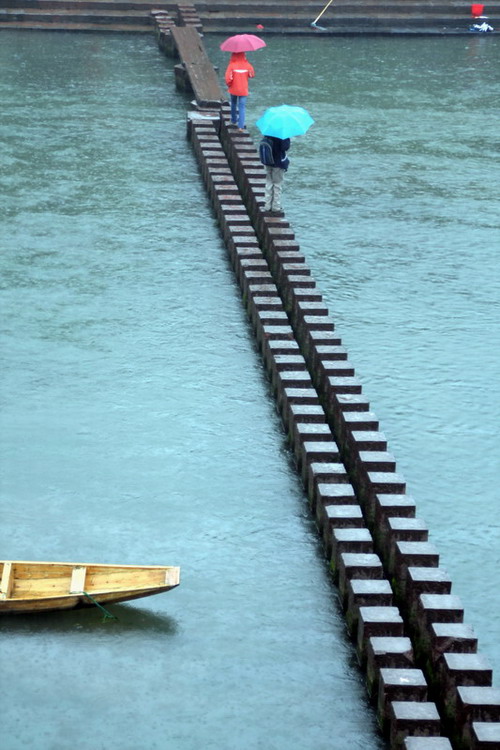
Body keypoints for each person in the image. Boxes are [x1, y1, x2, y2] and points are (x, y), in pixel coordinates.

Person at [224, 52, 255, 130]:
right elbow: (251, 75)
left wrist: (229, 85)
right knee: (242, 107)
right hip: (243, 89)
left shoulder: (231, 65)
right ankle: (240, 126)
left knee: (233, 104)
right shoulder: (247, 65)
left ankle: (233, 120)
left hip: (234, 89)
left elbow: (228, 78)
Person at [262, 136, 290, 214]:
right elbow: (285, 147)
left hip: (268, 161)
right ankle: (275, 207)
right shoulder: (283, 134)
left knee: (269, 183)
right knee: (277, 184)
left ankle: (267, 205)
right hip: (278, 163)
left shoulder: (268, 132)